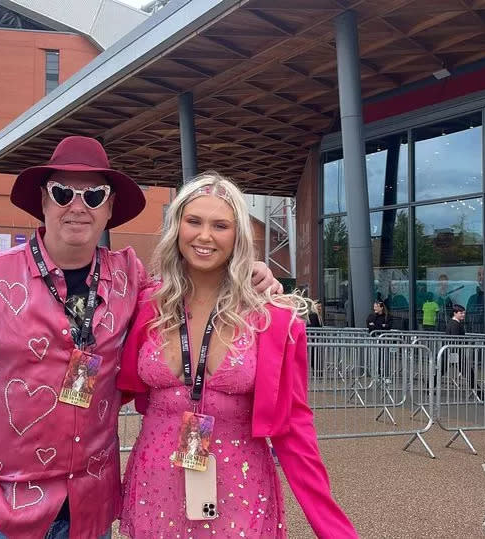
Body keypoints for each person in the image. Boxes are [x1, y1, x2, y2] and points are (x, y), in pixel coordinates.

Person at [0, 136, 279, 538]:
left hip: (90, 510)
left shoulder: (130, 277)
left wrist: (248, 277)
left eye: (93, 196)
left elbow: (192, 286)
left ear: (108, 208)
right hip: (0, 508)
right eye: (63, 192)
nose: (77, 206)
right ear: (43, 201)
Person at [116, 173, 357, 539]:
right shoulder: (149, 305)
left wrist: (334, 530)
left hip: (239, 489)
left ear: (238, 235)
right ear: (176, 227)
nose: (205, 236)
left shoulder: (272, 318)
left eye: (220, 225)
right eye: (193, 221)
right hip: (155, 485)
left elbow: (294, 427)